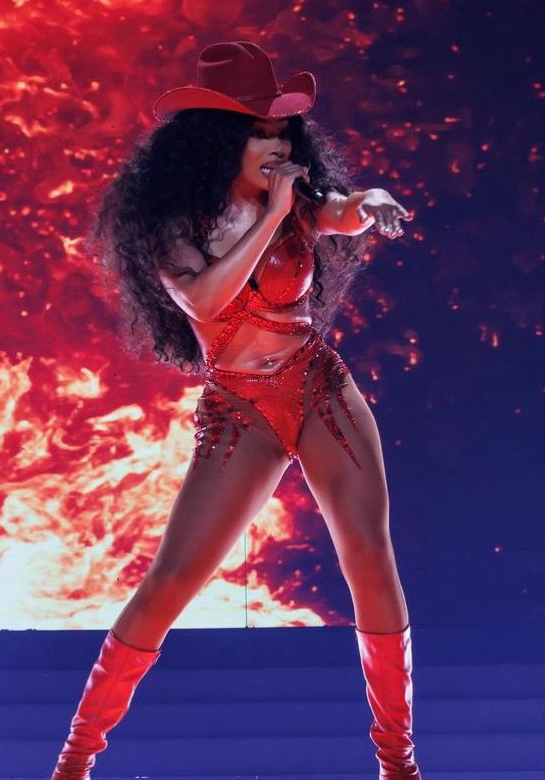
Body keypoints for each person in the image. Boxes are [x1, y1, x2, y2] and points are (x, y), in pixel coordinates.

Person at [51, 40, 421, 780]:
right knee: (172, 580)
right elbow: (204, 299)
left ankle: (398, 762)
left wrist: (368, 201)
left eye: (283, 134)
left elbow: (340, 212)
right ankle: (75, 760)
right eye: (259, 134)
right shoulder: (172, 226)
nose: (277, 148)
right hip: (239, 409)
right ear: (218, 142)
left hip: (318, 388)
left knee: (369, 554)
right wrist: (273, 213)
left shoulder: (295, 201)